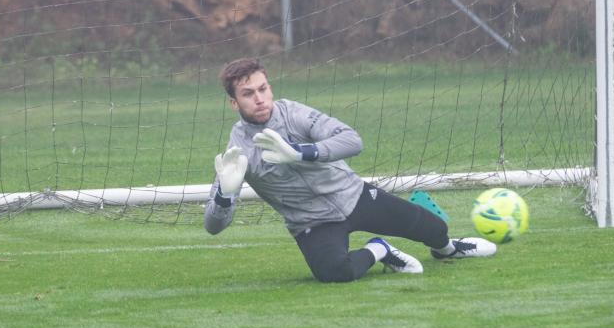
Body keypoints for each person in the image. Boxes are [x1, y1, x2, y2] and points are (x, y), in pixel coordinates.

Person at [204, 58, 496, 283]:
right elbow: (213, 227)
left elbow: (352, 140)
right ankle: (380, 249)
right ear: (234, 103)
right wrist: (225, 196)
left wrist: (301, 153)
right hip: (313, 223)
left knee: (434, 228)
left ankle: (448, 249)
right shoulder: (237, 152)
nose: (259, 98)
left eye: (263, 88)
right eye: (248, 93)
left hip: (353, 197)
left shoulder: (293, 113)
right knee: (334, 273)